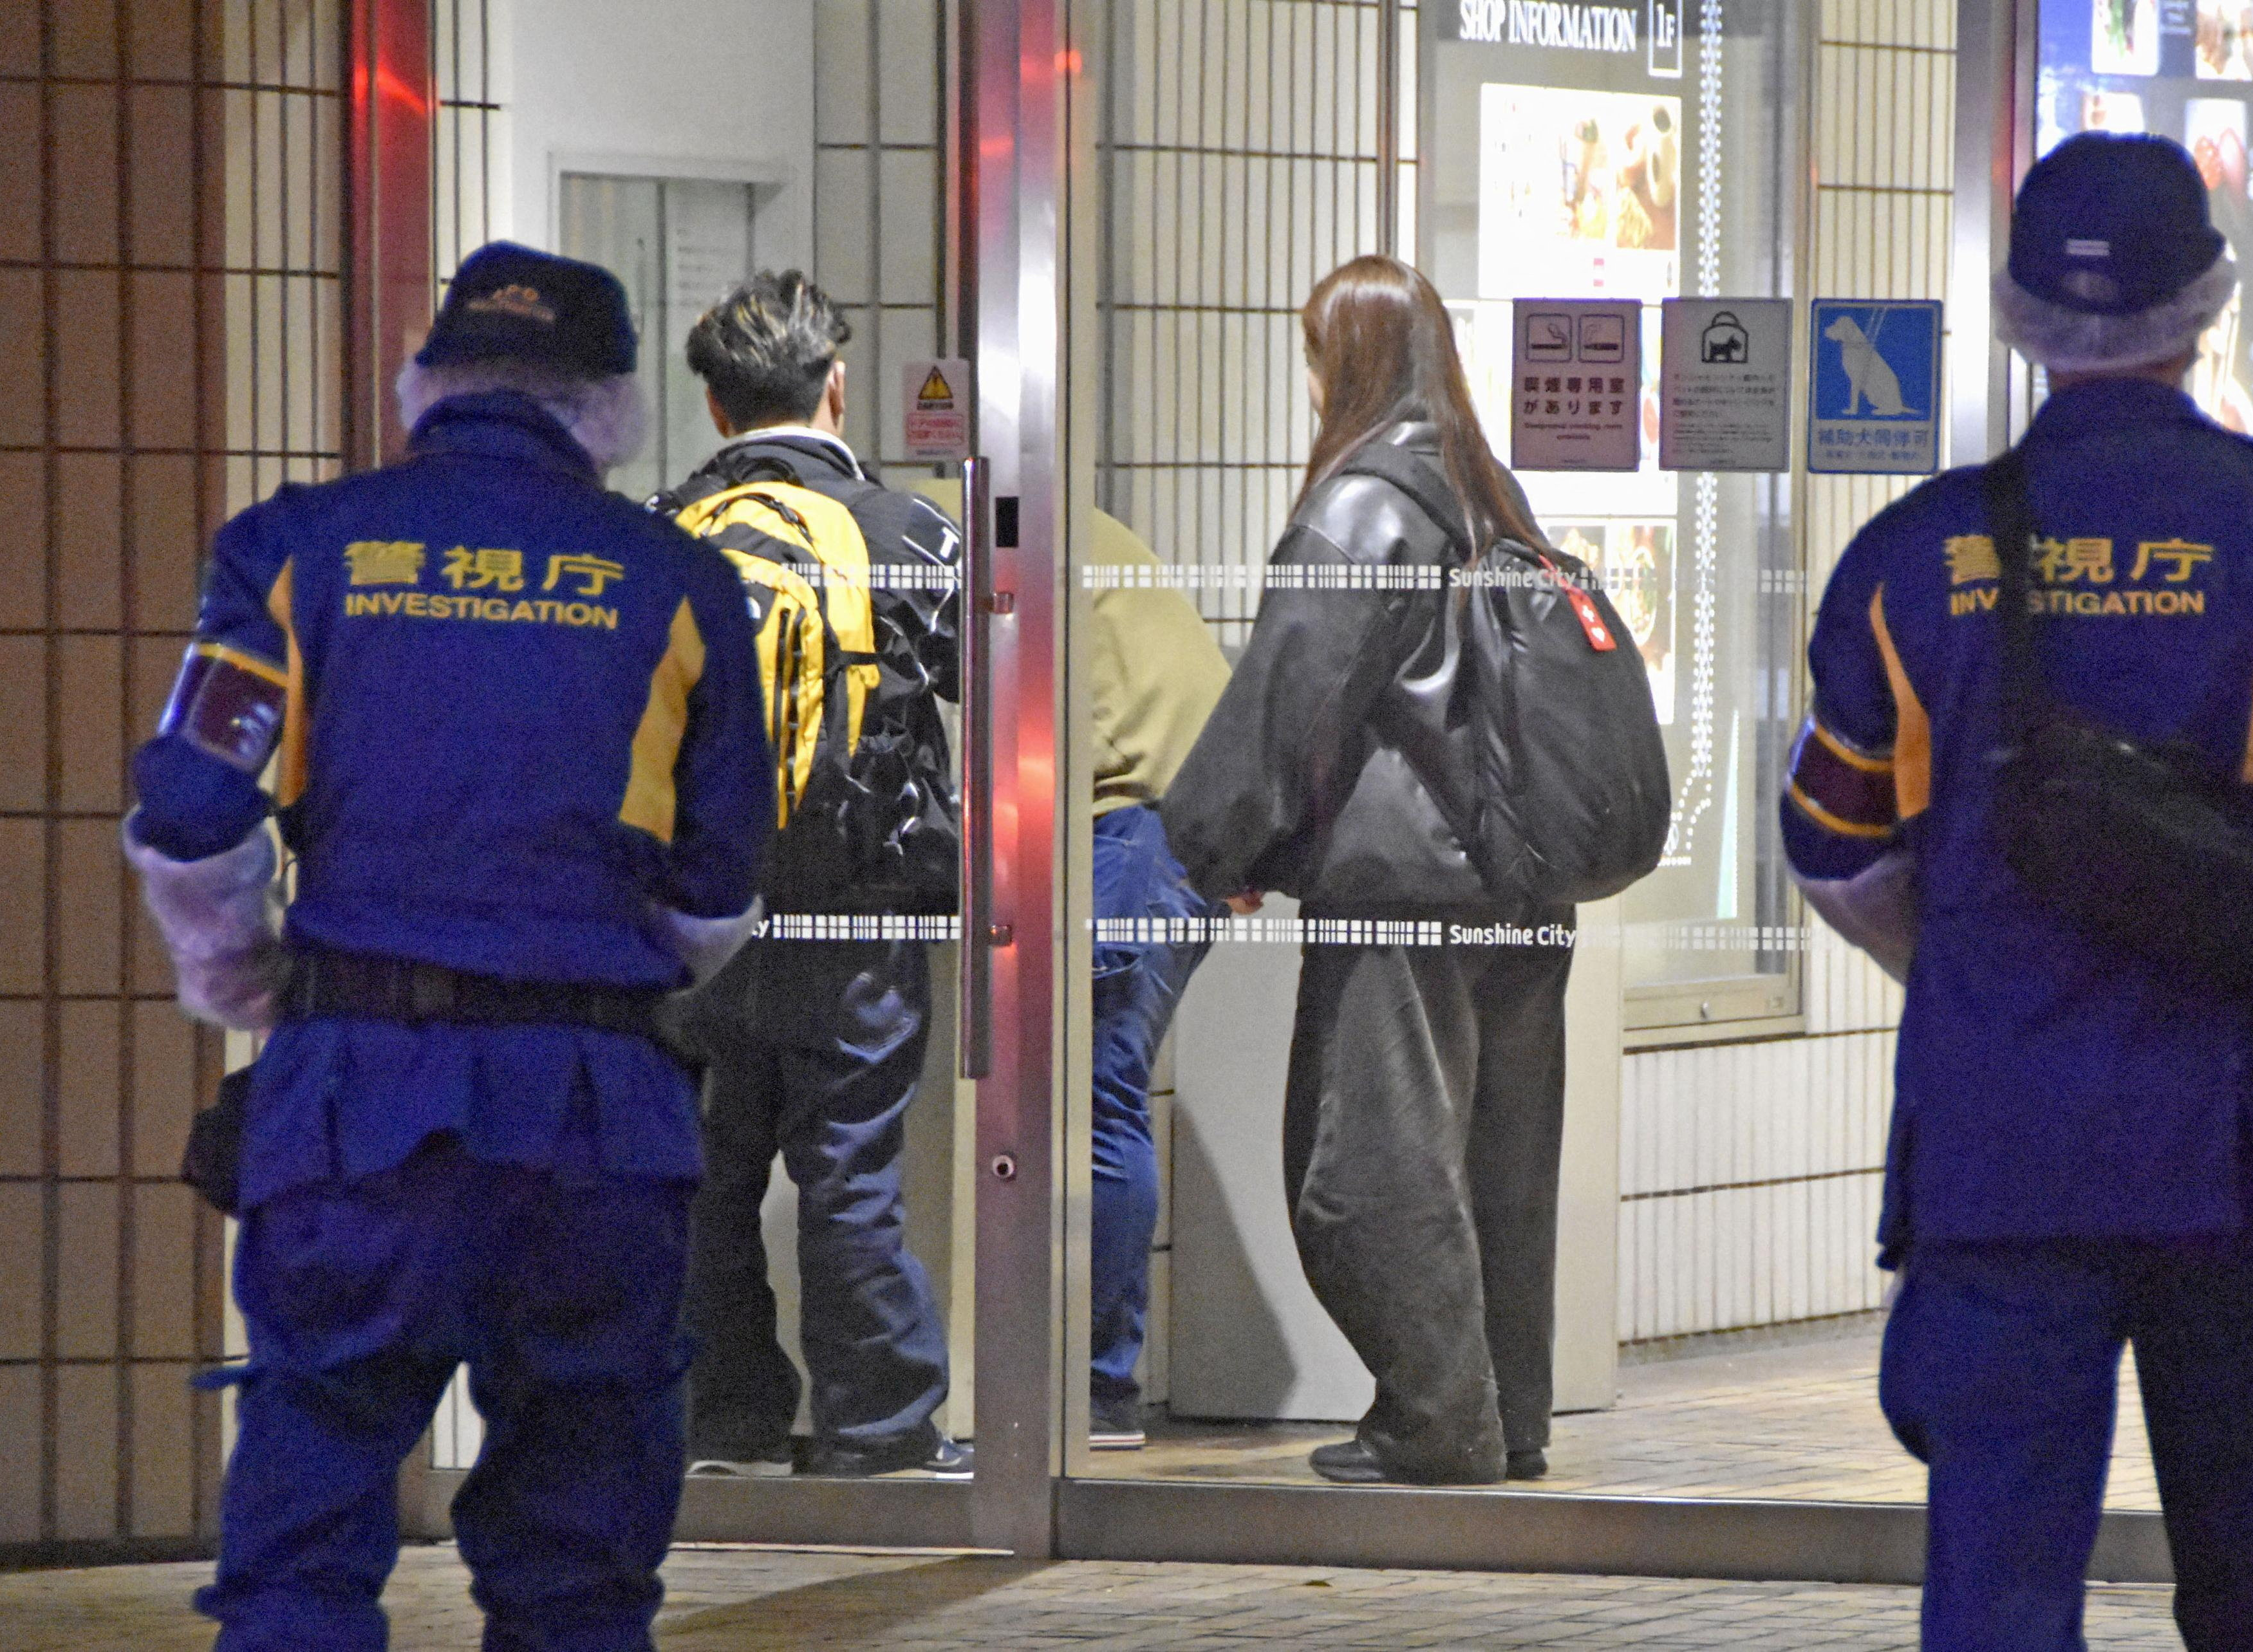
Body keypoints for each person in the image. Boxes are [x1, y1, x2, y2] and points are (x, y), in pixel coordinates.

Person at [1782, 133, 2253, 1651]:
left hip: (2000, 1147)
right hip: (2244, 1148)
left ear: (2015, 313)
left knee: (2000, 1588)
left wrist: (1966, 977)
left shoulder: (1911, 556)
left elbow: (1831, 842)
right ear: (2208, 303)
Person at [125, 242, 774, 1650]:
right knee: (582, 1564)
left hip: (359, 1092)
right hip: (596, 1119)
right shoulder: (674, 581)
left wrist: (256, 984)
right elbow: (719, 889)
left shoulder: (294, 549)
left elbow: (188, 812)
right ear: (609, 404)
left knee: (306, 1533)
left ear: (429, 380)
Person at [1161, 255, 1576, 1487]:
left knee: (1370, 1163)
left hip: (1407, 896)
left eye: (1311, 356)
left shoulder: (1362, 506)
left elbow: (1291, 703)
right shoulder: (1489, 494)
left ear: (1341, 365)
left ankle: (1437, 1422)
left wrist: (1210, 848)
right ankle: (1511, 1416)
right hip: (1520, 885)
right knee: (1502, 1159)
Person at [657, 270, 968, 1478]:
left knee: (708, 1171)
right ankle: (877, 1427)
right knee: (848, 1166)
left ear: (719, 410)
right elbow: (994, 692)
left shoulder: (657, 530)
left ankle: (721, 1416)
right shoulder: (900, 532)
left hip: (698, 917)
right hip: (852, 910)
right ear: (836, 387)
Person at [908, 481, 1240, 1451]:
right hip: (1182, 823)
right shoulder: (1068, 528)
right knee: (1103, 1096)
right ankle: (1085, 1380)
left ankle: (1095, 1389)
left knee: (1098, 1098)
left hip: (1131, 831)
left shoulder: (959, 538)